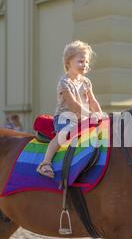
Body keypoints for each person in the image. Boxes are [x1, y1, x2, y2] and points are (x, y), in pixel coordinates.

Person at [37, 40, 103, 178]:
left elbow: (92, 100)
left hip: (83, 117)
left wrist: (99, 113)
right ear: (68, 63)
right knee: (64, 134)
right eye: (80, 61)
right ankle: (45, 163)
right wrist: (90, 115)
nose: (84, 65)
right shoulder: (64, 83)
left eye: (86, 62)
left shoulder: (86, 82)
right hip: (65, 117)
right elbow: (73, 104)